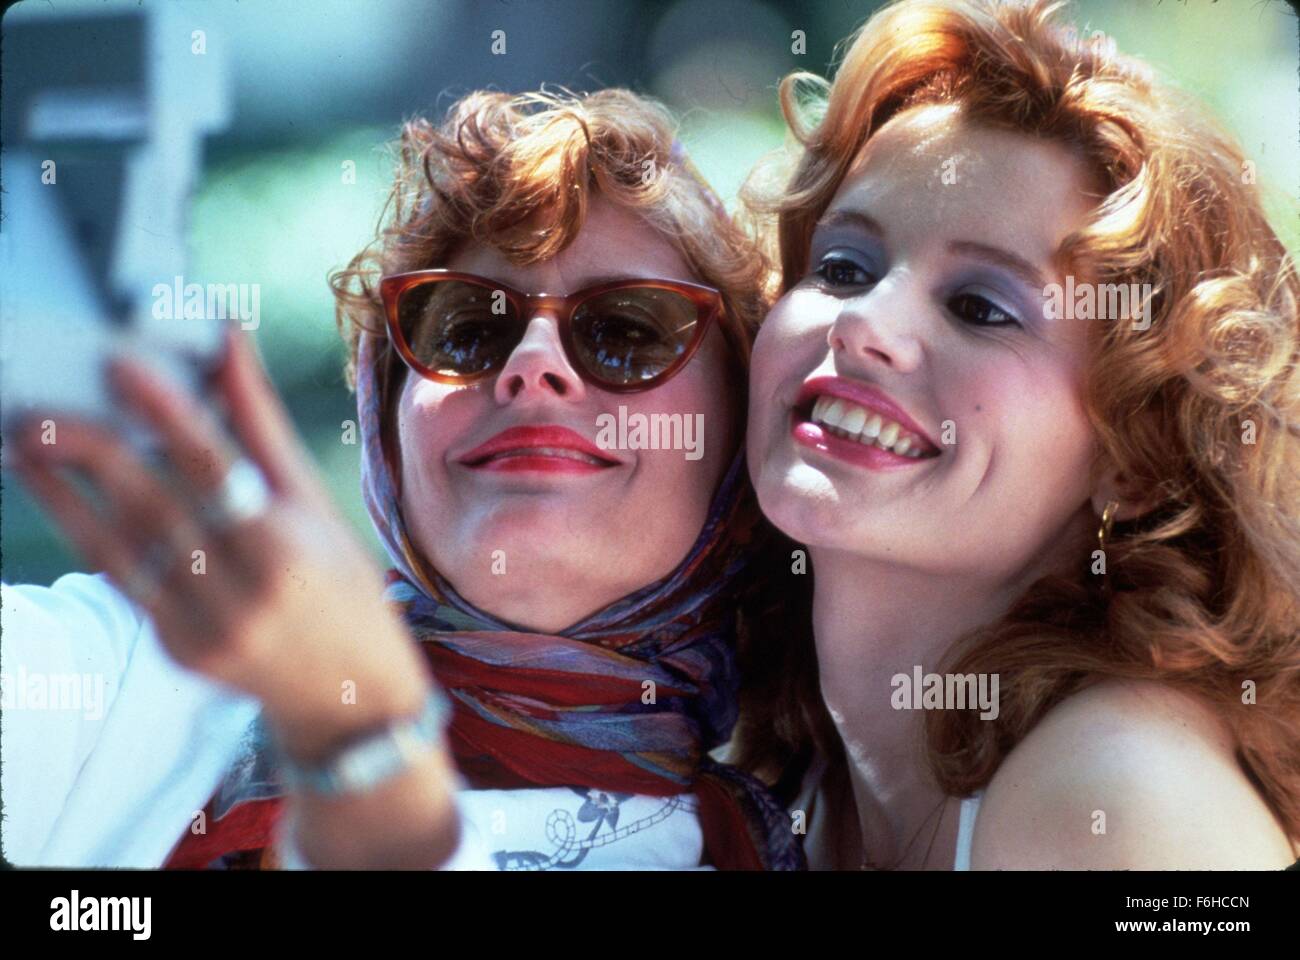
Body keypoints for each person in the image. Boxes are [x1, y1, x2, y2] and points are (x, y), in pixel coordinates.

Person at [3, 88, 802, 870]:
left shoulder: (801, 843)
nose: (532, 367)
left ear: (736, 437)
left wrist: (361, 746)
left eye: (628, 331)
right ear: (386, 424)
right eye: (466, 328)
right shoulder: (156, 665)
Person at [733, 0, 1300, 869]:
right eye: (844, 266)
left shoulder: (1119, 795)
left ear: (1136, 462)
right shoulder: (782, 765)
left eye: (979, 307)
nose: (865, 323)